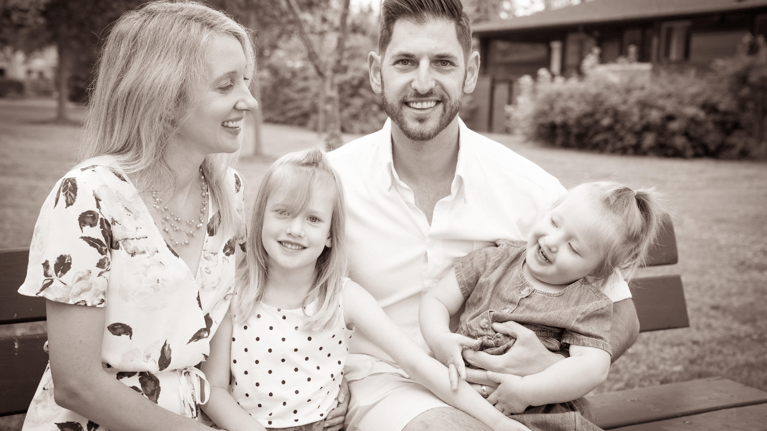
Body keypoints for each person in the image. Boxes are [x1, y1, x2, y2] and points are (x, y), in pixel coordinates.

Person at [325, 0, 642, 429]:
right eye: (404, 62)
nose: (423, 82)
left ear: (469, 72)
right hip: (383, 384)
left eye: (442, 62)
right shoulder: (332, 183)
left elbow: (622, 316)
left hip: (501, 392)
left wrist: (548, 364)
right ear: (375, 70)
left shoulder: (532, 191)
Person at [17, 2, 258, 430]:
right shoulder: (88, 196)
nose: (250, 101)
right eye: (226, 86)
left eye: (247, 81)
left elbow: (211, 379)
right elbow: (77, 384)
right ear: (163, 97)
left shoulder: (228, 192)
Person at [200, 148, 531, 431]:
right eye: (283, 212)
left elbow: (417, 364)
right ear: (261, 219)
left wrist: (499, 423)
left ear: (330, 235)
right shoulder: (234, 295)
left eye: (313, 219)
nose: (296, 229)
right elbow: (214, 387)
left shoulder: (342, 297)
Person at [420, 182, 664, 430]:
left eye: (573, 247)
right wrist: (440, 339)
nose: (552, 241)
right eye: (555, 222)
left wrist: (526, 392)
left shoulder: (587, 305)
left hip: (535, 414)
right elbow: (437, 300)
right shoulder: (493, 260)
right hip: (455, 394)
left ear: (598, 270)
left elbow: (593, 368)